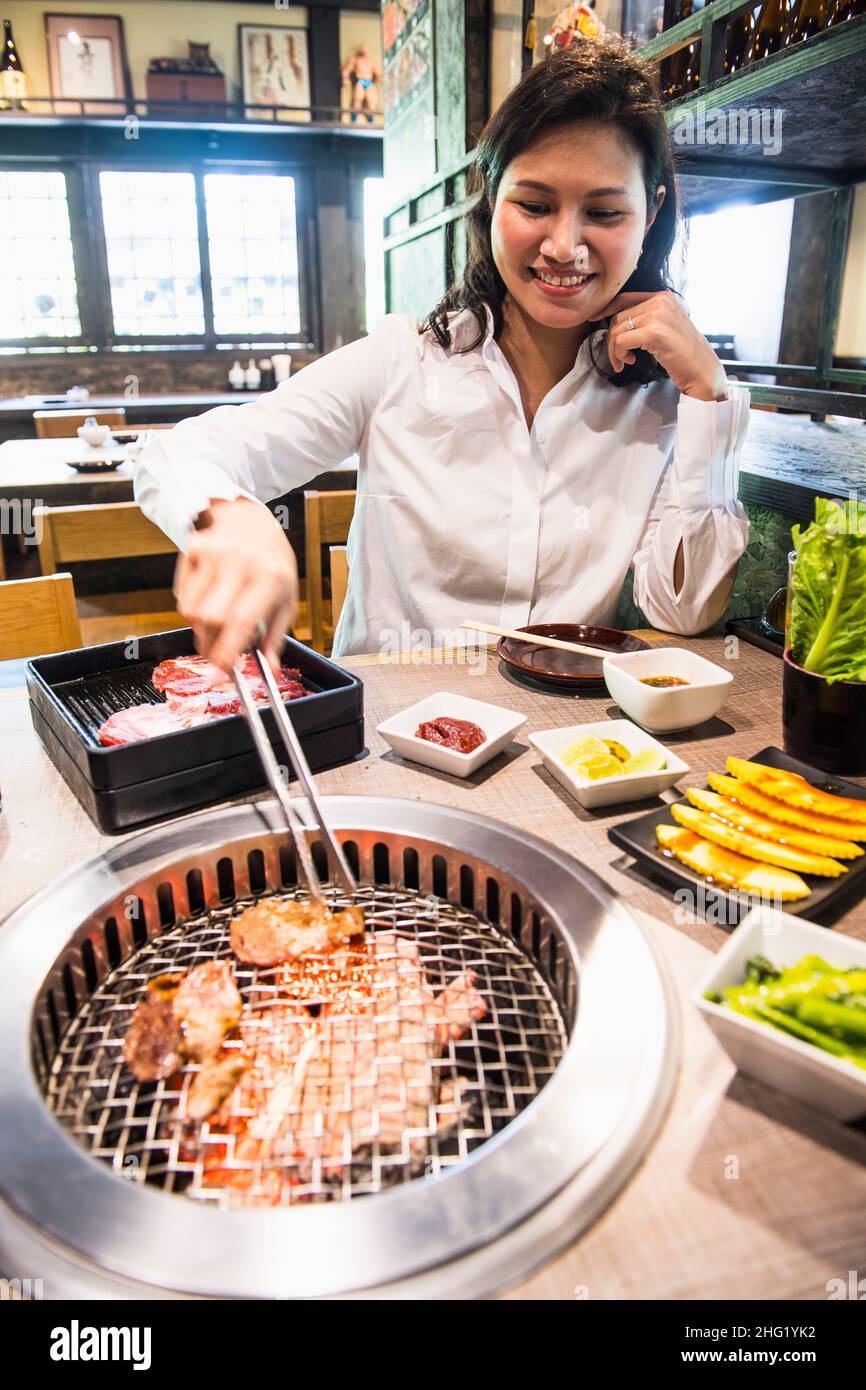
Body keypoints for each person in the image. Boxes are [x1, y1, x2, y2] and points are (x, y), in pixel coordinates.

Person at [135, 38, 750, 675]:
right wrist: (229, 518)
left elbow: (684, 614)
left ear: (650, 214)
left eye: (603, 212)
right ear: (490, 198)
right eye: (534, 205)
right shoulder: (400, 363)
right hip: (391, 737)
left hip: (574, 742)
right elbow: (176, 454)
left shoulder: (660, 400)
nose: (565, 246)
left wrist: (709, 395)